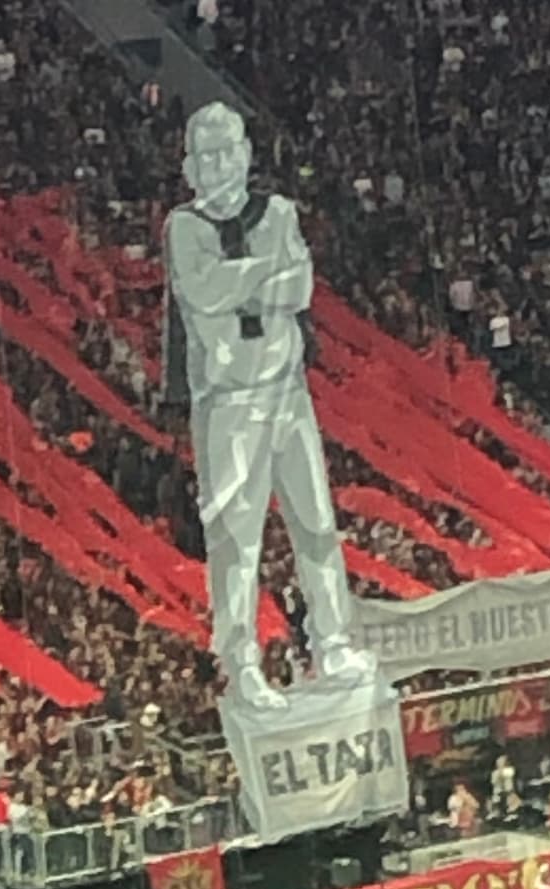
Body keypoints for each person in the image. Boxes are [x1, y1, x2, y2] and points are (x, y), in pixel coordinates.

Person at [161, 101, 376, 709]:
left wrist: (243, 283)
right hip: (227, 404)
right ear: (190, 166)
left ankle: (332, 641)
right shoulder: (184, 226)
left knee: (315, 523)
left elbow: (299, 286)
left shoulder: (278, 211)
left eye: (228, 150)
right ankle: (241, 660)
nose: (219, 163)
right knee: (235, 538)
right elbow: (204, 294)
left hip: (287, 391)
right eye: (206, 155)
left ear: (248, 153)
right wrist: (263, 277)